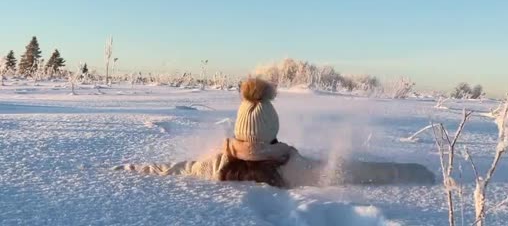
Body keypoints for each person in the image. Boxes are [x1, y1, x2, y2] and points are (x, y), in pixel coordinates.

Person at [113, 78, 435, 188]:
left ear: (238, 130)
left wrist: (124, 168)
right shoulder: (298, 169)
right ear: (273, 130)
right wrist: (416, 172)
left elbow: (170, 169)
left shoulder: (215, 165)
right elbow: (362, 173)